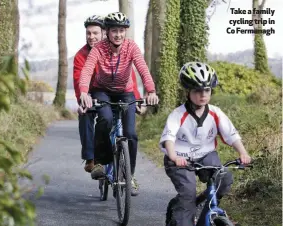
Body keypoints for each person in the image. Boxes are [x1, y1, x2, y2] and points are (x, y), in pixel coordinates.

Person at [159, 62, 252, 226]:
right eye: (197, 90)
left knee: (224, 178)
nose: (203, 94)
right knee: (187, 193)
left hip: (206, 155)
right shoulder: (178, 114)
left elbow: (231, 134)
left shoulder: (216, 112)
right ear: (188, 92)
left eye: (207, 90)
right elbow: (169, 138)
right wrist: (174, 156)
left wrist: (243, 153)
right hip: (179, 158)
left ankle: (204, 202)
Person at [79, 12, 159, 196]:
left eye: (121, 31)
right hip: (103, 90)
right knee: (105, 119)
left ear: (126, 32)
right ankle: (100, 162)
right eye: (114, 30)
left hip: (125, 92)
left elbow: (143, 69)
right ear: (107, 32)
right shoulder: (99, 48)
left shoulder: (131, 47)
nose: (118, 34)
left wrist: (151, 91)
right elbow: (87, 69)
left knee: (130, 133)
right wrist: (84, 92)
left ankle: (129, 176)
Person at [73, 15, 143, 173]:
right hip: (91, 93)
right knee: (85, 115)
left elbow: (129, 78)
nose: (92, 37)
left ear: (104, 33)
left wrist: (137, 99)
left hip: (116, 92)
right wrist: (82, 99)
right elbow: (79, 79)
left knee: (121, 123)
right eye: (88, 33)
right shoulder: (81, 56)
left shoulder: (118, 50)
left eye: (95, 33)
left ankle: (126, 168)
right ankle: (91, 158)